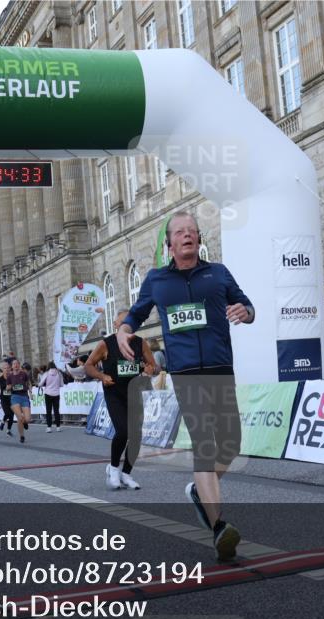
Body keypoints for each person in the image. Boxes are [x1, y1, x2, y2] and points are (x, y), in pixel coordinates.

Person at [118, 210, 254, 561]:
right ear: (170, 243)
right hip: (186, 372)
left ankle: (199, 490)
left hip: (221, 367)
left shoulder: (218, 273)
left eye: (192, 230)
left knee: (231, 444)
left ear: (199, 238)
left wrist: (245, 312)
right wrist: (124, 329)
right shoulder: (156, 280)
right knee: (205, 445)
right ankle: (220, 527)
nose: (188, 235)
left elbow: (247, 305)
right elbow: (136, 313)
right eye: (180, 232)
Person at [86, 310, 156, 491]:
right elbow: (88, 365)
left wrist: (148, 371)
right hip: (114, 393)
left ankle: (126, 473)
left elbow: (151, 364)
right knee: (123, 431)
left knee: (137, 435)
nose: (126, 326)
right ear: (116, 325)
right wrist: (101, 376)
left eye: (129, 323)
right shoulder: (105, 344)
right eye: (122, 322)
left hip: (134, 392)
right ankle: (113, 468)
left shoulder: (140, 343)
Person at [5, 356, 32, 443]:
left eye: (17, 364)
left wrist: (31, 393)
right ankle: (22, 436)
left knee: (27, 419)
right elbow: (7, 387)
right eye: (14, 364)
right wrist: (11, 386)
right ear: (12, 366)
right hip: (15, 397)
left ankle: (25, 422)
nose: (16, 365)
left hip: (24, 396)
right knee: (20, 417)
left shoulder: (24, 374)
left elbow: (29, 383)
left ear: (19, 365)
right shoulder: (9, 376)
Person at [39, 361, 64, 433]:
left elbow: (40, 384)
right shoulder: (59, 373)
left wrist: (44, 385)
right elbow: (62, 384)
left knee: (48, 411)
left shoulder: (46, 373)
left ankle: (49, 427)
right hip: (56, 393)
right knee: (56, 411)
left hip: (48, 393)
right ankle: (58, 427)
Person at [0, 360, 15, 435]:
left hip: (12, 398)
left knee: (12, 415)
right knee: (7, 413)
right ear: (2, 370)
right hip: (4, 399)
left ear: (10, 369)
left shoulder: (13, 377)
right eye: (5, 368)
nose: (7, 370)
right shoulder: (0, 379)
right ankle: (3, 421)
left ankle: (8, 430)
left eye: (8, 368)